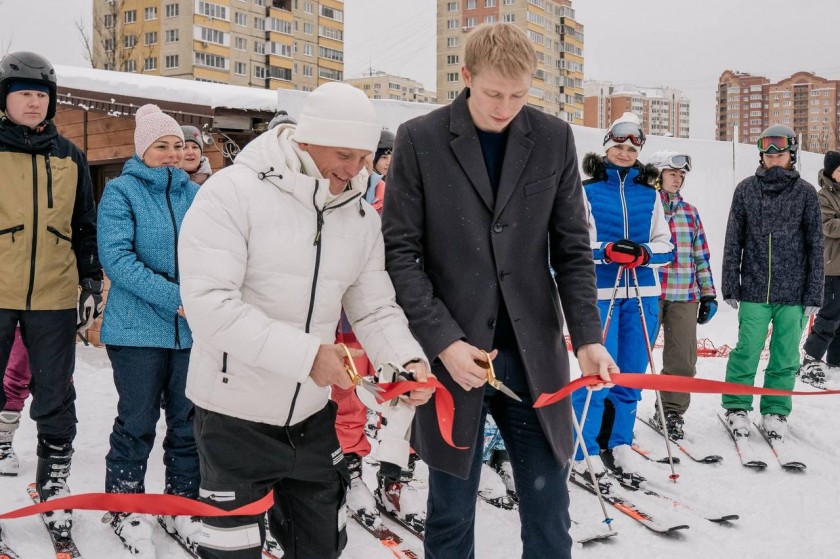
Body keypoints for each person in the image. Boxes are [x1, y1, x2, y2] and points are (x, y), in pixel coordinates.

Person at [382, 23, 615, 559]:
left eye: (518, 94)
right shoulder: (420, 138)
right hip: (457, 357)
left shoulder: (553, 137)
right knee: (450, 514)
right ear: (464, 78)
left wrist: (586, 337)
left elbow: (573, 250)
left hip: (533, 358)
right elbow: (400, 254)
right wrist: (441, 340)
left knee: (550, 516)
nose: (506, 106)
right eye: (493, 93)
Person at [178, 81, 435, 559]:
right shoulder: (231, 193)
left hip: (313, 418)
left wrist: (402, 361)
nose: (356, 170)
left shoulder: (358, 213)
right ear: (305, 138)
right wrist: (307, 356)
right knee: (232, 553)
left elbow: (374, 305)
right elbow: (210, 305)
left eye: (364, 157)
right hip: (234, 416)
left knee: (320, 545)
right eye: (344, 154)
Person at [0, 51, 102, 540]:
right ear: (4, 99)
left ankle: (55, 482)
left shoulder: (69, 155)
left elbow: (86, 224)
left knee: (56, 393)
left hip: (54, 295)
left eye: (42, 95)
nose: (34, 102)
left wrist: (88, 280)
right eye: (25, 94)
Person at [97, 104, 201, 557]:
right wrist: (175, 299)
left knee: (187, 424)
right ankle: (126, 504)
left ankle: (181, 503)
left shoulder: (194, 195)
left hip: (190, 333)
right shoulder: (121, 192)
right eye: (162, 146)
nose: (172, 154)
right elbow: (118, 261)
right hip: (137, 330)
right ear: (143, 149)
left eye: (178, 146)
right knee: (137, 422)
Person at [572, 113, 673, 484]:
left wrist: (644, 254)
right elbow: (574, 244)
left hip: (642, 293)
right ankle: (584, 449)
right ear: (606, 146)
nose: (626, 151)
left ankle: (620, 443)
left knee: (631, 373)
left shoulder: (650, 194)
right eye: (619, 145)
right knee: (598, 374)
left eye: (633, 147)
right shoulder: (586, 190)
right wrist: (608, 250)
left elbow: (666, 245)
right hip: (601, 293)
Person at [721, 124, 823, 440]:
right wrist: (730, 282)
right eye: (768, 152)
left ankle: (776, 411)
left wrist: (814, 292)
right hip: (754, 288)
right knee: (747, 349)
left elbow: (816, 245)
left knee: (786, 354)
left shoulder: (806, 193)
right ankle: (737, 406)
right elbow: (733, 238)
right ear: (762, 155)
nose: (774, 157)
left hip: (793, 292)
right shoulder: (746, 189)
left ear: (792, 154)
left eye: (780, 152)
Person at [649, 150, 717, 439]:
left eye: (681, 176)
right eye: (672, 173)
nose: (677, 179)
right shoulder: (645, 206)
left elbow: (701, 255)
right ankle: (615, 409)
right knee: (634, 355)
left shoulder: (690, 212)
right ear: (658, 175)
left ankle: (670, 411)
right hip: (649, 292)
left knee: (682, 360)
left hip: (684, 293)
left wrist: (708, 294)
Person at [799, 151, 840, 389]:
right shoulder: (822, 196)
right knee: (829, 315)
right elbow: (827, 225)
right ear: (830, 172)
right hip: (831, 267)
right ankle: (811, 359)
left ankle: (835, 361)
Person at [0, 327, 32, 475]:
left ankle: (57, 451)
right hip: (14, 314)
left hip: (56, 314)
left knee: (59, 384)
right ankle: (3, 442)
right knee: (16, 377)